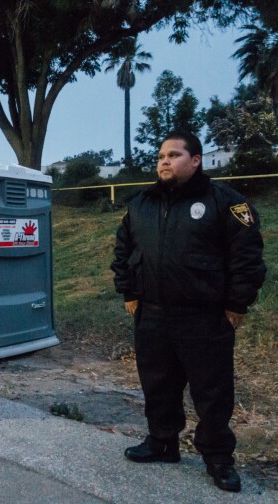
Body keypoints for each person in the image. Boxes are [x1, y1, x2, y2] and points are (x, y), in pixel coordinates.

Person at [111, 130, 266, 493]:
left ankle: (218, 458)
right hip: (153, 315)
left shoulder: (226, 202)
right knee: (158, 384)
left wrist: (236, 303)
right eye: (162, 155)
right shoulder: (141, 204)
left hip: (204, 316)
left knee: (212, 392)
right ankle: (162, 443)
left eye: (174, 155)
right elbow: (123, 251)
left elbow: (247, 256)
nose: (165, 161)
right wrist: (129, 292)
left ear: (195, 161)